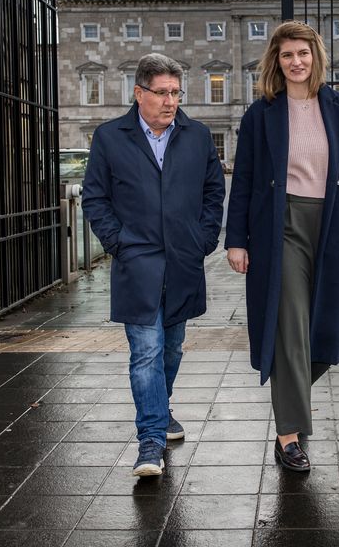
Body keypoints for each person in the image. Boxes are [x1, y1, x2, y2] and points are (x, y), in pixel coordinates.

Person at [225, 21, 339, 471]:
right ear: (276, 60)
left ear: (316, 56)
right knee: (289, 326)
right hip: (278, 226)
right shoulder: (260, 114)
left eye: (303, 53)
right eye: (287, 55)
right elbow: (244, 179)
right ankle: (289, 436)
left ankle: (291, 399)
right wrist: (236, 240)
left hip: (329, 223)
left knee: (329, 328)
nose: (296, 62)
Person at [82, 53, 226, 476]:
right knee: (146, 350)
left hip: (183, 260)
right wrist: (118, 243)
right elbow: (95, 197)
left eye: (176, 93)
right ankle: (150, 439)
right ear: (139, 93)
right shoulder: (110, 137)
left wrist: (203, 240)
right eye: (161, 93)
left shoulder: (197, 136)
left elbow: (213, 192)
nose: (170, 101)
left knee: (173, 345)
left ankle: (160, 411)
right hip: (138, 261)